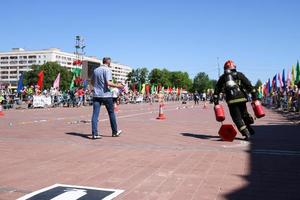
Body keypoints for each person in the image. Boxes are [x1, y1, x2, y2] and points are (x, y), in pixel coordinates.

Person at [213, 60, 258, 140]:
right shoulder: (239, 75)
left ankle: (246, 133)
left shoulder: (223, 77)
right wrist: (255, 97)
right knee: (244, 115)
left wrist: (216, 102)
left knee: (237, 118)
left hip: (231, 101)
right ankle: (249, 128)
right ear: (234, 67)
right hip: (242, 99)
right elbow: (249, 86)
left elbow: (217, 90)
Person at [91, 57, 123, 139]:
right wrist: (118, 85)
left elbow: (92, 82)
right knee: (111, 113)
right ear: (108, 63)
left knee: (95, 114)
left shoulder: (95, 70)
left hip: (96, 95)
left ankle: (94, 133)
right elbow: (108, 83)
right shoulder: (107, 70)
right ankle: (114, 132)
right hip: (106, 95)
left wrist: (96, 88)